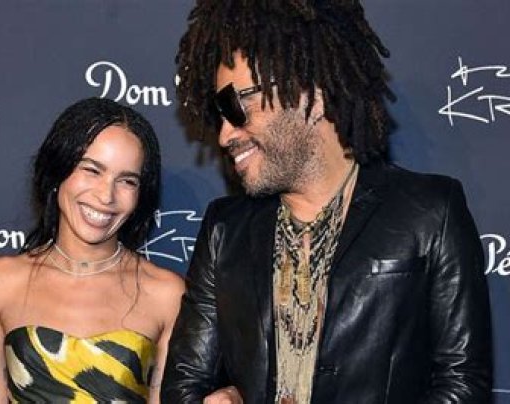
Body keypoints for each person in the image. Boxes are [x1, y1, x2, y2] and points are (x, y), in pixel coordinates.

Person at [162, 1, 492, 403]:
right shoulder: (225, 228)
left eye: (238, 107)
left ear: (311, 97)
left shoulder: (429, 212)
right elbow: (185, 383)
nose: (225, 135)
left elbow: (462, 385)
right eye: (220, 115)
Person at [0, 97, 184, 403]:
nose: (106, 196)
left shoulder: (166, 294)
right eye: (92, 170)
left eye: (127, 180)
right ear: (59, 171)